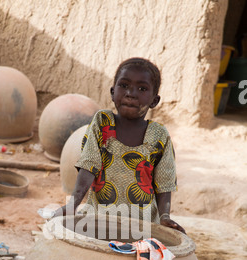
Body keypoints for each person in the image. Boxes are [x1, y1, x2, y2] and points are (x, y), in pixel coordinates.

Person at [54, 57, 185, 234]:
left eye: (142, 88)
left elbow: (165, 183)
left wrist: (165, 217)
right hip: (99, 220)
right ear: (112, 91)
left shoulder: (159, 136)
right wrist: (72, 205)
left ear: (154, 100)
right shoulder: (102, 123)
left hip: (142, 226)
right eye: (124, 85)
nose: (131, 93)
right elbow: (88, 166)